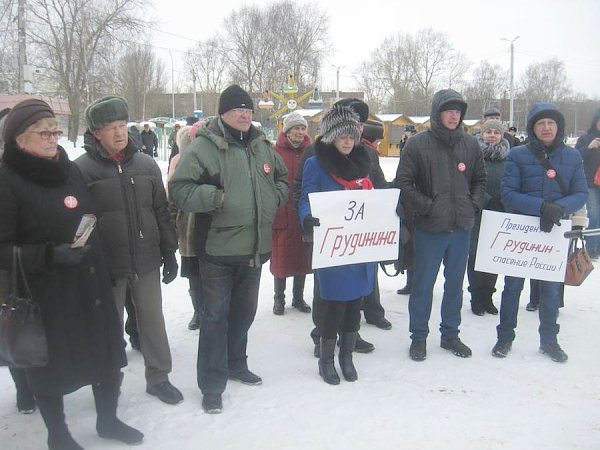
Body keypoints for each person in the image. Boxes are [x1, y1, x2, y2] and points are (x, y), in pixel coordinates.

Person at [0, 99, 143, 450]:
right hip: (46, 291)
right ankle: (58, 435)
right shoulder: (6, 180)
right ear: (18, 139)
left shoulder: (67, 167)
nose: (53, 139)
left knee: (106, 355)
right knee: (50, 367)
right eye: (43, 133)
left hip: (89, 279)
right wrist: (49, 254)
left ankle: (107, 421)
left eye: (55, 131)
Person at [169, 84, 289, 414]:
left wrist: (274, 198)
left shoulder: (262, 146)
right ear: (223, 114)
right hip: (217, 250)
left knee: (243, 314)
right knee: (214, 319)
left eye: (248, 111)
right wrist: (215, 198)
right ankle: (211, 384)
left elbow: (282, 178)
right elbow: (179, 189)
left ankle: (236, 364)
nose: (245, 115)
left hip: (254, 249)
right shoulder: (203, 148)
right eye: (238, 110)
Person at [75, 96, 183, 405]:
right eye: (111, 128)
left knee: (152, 320)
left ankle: (159, 377)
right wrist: (83, 260)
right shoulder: (81, 170)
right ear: (96, 133)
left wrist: (169, 251)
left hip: (146, 258)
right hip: (106, 264)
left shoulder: (146, 164)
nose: (119, 133)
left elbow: (161, 212)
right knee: (107, 326)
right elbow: (77, 223)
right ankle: (106, 383)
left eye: (123, 126)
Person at [396, 89, 487, 362]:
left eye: (458, 111)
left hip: (461, 227)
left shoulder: (470, 145)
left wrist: (472, 204)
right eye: (448, 110)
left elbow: (480, 180)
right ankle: (419, 337)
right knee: (423, 285)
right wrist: (426, 206)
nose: (453, 115)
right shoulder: (417, 145)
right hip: (430, 228)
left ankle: (450, 334)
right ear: (437, 113)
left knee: (455, 285)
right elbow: (403, 183)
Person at [493, 103, 588, 363]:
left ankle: (549, 340)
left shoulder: (572, 157)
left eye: (551, 123)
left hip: (554, 234)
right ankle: (505, 337)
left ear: (559, 127)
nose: (546, 128)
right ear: (533, 128)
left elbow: (580, 192)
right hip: (523, 233)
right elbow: (508, 194)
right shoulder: (518, 155)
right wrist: (541, 207)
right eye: (541, 123)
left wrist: (557, 209)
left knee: (551, 291)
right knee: (512, 287)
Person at [298, 104, 376, 385]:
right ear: (331, 136)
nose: (347, 141)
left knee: (355, 304)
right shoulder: (315, 164)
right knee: (333, 306)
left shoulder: (363, 160)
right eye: (342, 135)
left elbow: (372, 198)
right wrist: (307, 218)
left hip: (359, 246)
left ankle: (347, 356)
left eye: (351, 135)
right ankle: (327, 359)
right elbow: (306, 197)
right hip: (332, 246)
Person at [467, 119, 511, 316]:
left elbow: (512, 182)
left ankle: (488, 295)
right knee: (476, 254)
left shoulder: (508, 158)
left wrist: (502, 201)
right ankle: (476, 295)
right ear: (482, 134)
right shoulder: (473, 154)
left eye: (496, 132)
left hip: (500, 211)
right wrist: (484, 200)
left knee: (493, 255)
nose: (492, 135)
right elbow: (468, 181)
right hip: (478, 211)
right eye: (488, 132)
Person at [271, 111, 312, 315]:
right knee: (281, 258)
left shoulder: (310, 151)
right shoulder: (275, 151)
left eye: (303, 128)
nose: (300, 132)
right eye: (296, 128)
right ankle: (279, 299)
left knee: (302, 258)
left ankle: (298, 297)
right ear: (287, 130)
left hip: (302, 211)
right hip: (282, 211)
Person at [167, 125, 203, 330]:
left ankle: (210, 311)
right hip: (188, 231)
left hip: (212, 233)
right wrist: (172, 228)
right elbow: (171, 201)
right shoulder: (178, 165)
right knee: (194, 276)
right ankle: (198, 311)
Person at [359, 119, 393, 330]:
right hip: (367, 215)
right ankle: (373, 311)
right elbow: (378, 183)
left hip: (357, 213)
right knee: (369, 266)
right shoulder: (369, 152)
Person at [575, 108, 600, 259]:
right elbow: (575, 156)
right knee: (593, 214)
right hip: (589, 182)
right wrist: (588, 147)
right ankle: (590, 248)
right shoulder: (585, 138)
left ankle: (597, 247)